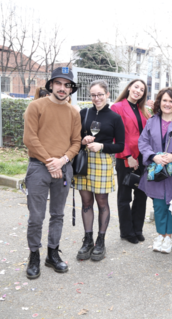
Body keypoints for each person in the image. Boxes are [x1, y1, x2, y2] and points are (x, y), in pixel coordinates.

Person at [23, 67, 81, 279]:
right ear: (51, 85)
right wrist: (50, 163)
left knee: (58, 214)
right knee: (36, 216)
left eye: (67, 85)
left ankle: (52, 254)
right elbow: (30, 139)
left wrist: (62, 161)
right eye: (59, 83)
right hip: (39, 167)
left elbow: (76, 142)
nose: (62, 88)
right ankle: (34, 256)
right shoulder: (36, 106)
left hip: (63, 167)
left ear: (71, 89)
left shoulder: (74, 112)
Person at [75, 80, 125, 261]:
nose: (97, 98)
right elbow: (73, 137)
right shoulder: (83, 113)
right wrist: (82, 140)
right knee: (86, 201)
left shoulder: (114, 117)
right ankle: (87, 240)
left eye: (100, 95)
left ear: (107, 94)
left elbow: (120, 146)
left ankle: (100, 241)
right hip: (84, 160)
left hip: (102, 161)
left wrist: (101, 146)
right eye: (93, 95)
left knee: (102, 201)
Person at [138, 88, 172, 253]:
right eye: (164, 100)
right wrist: (153, 156)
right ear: (159, 102)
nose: (167, 104)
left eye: (171, 101)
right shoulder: (151, 122)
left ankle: (169, 238)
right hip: (156, 170)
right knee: (158, 204)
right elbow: (143, 143)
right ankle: (161, 235)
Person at [110, 79, 151, 244]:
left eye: (142, 89)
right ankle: (126, 232)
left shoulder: (144, 111)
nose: (138, 91)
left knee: (141, 195)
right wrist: (128, 156)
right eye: (136, 87)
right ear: (129, 88)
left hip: (143, 159)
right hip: (127, 158)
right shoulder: (117, 107)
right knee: (125, 196)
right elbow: (116, 135)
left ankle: (137, 229)